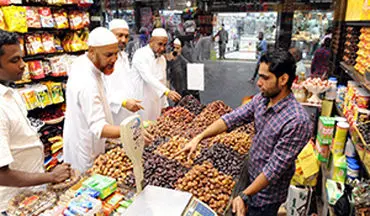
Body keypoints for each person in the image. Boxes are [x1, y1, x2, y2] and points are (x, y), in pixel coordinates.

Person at [177, 49, 312, 216]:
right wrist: (199, 137)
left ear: (283, 79)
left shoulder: (297, 121)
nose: (258, 83)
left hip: (267, 196)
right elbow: (231, 119)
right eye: (259, 76)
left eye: (265, 77)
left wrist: (244, 195)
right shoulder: (262, 100)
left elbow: (273, 169)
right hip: (251, 177)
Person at [0, 29, 71, 213]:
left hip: (29, 196)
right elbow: (1, 175)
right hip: (11, 204)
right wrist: (50, 177)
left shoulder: (10, 92)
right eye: (14, 60)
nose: (23, 65)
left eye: (22, 58)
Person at [63, 27, 152, 173]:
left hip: (91, 141)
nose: (114, 59)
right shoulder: (86, 81)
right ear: (91, 52)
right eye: (108, 55)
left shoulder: (88, 64)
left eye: (116, 53)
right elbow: (99, 127)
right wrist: (133, 132)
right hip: (85, 147)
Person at [131, 28, 181, 121]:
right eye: (160, 44)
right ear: (151, 41)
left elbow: (163, 80)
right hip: (142, 102)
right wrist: (167, 91)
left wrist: (164, 105)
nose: (162, 48)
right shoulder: (140, 54)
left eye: (165, 45)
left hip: (156, 104)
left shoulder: (162, 59)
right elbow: (148, 77)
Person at [103, 19, 143, 125]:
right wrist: (122, 102)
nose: (124, 40)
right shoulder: (102, 61)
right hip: (113, 116)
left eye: (126, 36)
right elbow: (102, 93)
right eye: (119, 35)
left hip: (128, 114)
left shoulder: (123, 56)